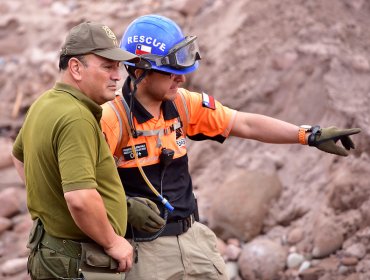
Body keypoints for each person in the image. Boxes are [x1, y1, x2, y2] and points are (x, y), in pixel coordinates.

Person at [101, 15, 361, 280]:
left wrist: (308, 135)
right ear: (138, 71)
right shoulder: (111, 120)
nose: (181, 80)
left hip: (194, 241)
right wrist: (125, 206)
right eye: (170, 72)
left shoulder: (183, 105)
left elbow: (244, 123)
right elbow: (79, 190)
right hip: (146, 254)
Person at [11, 21, 140, 280]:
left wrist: (53, 205)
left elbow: (18, 157)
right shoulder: (76, 118)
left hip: (53, 252)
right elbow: (80, 198)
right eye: (107, 66)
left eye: (118, 67)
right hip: (77, 262)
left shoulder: (44, 103)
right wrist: (112, 241)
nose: (117, 75)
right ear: (76, 68)